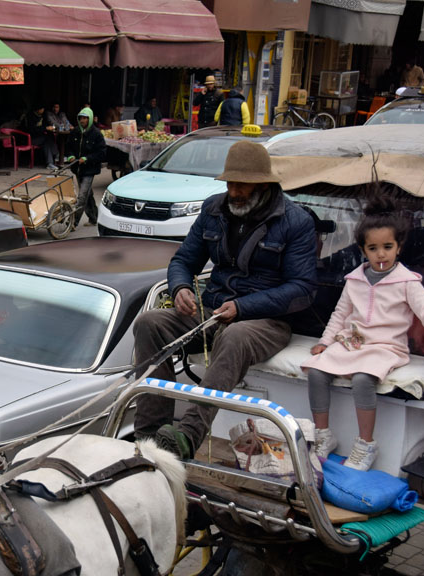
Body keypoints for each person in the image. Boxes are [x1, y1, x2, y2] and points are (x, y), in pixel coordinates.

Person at [133, 140, 317, 459]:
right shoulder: (213, 208)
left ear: (263, 185)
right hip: (212, 309)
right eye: (230, 183)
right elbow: (183, 261)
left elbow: (302, 289)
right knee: (149, 323)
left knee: (233, 336)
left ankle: (187, 435)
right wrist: (180, 289)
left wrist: (244, 307)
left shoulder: (296, 222)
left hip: (265, 319)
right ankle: (149, 432)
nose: (234, 191)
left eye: (241, 184)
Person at [302, 197, 424, 471]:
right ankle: (323, 434)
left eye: (387, 247)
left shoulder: (408, 282)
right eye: (373, 248)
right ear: (363, 250)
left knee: (362, 380)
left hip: (386, 347)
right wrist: (325, 342)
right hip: (352, 343)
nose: (380, 254)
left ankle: (366, 444)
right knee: (316, 372)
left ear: (398, 247)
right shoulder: (354, 279)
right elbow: (340, 313)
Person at [64, 107, 106, 227]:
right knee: (87, 194)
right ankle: (94, 218)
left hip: (89, 169)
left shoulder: (96, 134)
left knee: (82, 196)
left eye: (85, 118)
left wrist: (88, 158)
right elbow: (69, 148)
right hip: (78, 169)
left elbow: (102, 153)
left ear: (90, 119)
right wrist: (71, 156)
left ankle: (73, 222)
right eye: (80, 118)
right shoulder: (75, 132)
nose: (82, 120)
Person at [22, 104, 58, 170]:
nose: (43, 110)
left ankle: (50, 163)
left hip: (41, 139)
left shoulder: (43, 116)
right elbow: (32, 130)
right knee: (46, 138)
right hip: (30, 139)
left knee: (47, 141)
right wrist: (45, 128)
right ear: (37, 109)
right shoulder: (30, 117)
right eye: (42, 109)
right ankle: (56, 155)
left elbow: (45, 125)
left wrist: (49, 128)